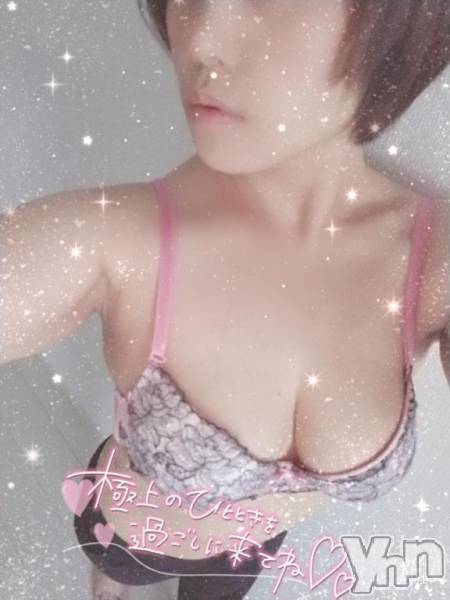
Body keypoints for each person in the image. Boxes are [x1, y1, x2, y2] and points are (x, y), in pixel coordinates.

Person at [2, 1, 450, 599]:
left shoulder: (433, 256)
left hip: (249, 549)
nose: (199, 39)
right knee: (111, 580)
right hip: (126, 534)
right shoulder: (118, 239)